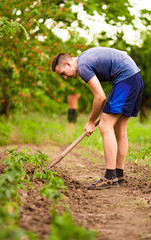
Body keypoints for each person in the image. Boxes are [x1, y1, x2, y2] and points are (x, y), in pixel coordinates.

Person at [51, 47, 144, 190]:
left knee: (105, 126)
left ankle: (110, 177)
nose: (65, 77)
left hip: (126, 80)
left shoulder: (82, 67)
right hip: (135, 78)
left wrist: (90, 122)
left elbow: (100, 97)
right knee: (119, 128)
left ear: (68, 64)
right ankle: (119, 176)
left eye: (63, 73)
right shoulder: (85, 57)